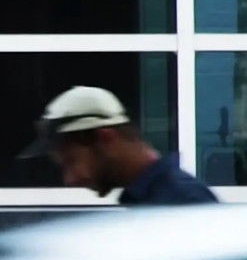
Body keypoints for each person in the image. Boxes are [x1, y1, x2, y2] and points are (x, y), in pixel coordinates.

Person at [21, 85, 218, 205]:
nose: (69, 180)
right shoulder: (154, 199)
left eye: (71, 162)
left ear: (106, 138)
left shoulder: (183, 202)